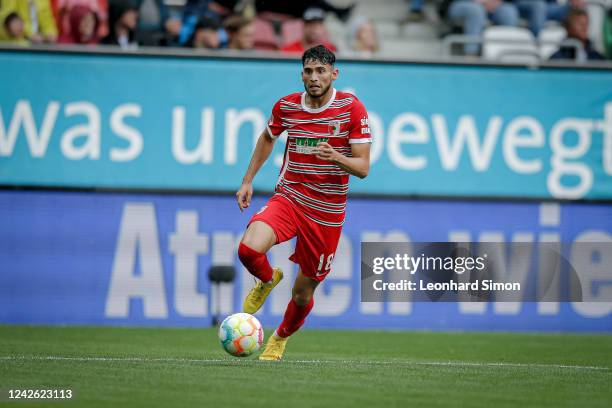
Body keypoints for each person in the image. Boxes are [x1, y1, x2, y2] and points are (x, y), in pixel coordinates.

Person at [235, 45, 372, 360]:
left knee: (302, 293)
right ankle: (268, 279)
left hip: (326, 215)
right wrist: (247, 180)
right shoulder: (286, 106)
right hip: (290, 197)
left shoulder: (352, 109)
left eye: (321, 71)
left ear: (333, 74)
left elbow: (363, 168)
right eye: (309, 71)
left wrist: (336, 156)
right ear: (302, 74)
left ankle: (280, 338)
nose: (314, 77)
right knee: (247, 249)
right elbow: (268, 137)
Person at [447, 0, 519, 55]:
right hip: (461, 3)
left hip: (493, 5)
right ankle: (471, 55)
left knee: (509, 11)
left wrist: (495, 2)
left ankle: (507, 55)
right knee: (476, 10)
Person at [513, 0, 583, 35]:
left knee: (577, 8)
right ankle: (535, 44)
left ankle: (581, 50)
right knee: (539, 6)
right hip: (522, 3)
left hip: (549, 6)